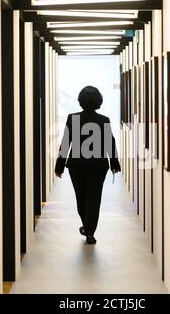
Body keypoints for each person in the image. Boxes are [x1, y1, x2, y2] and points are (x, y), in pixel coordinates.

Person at [55, 86, 121, 245]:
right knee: (94, 197)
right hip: (98, 166)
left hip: (76, 166)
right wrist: (114, 163)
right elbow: (109, 143)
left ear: (80, 101)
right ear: (99, 101)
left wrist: (59, 166)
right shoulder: (103, 120)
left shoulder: (73, 118)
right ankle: (90, 231)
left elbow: (65, 144)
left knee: (81, 197)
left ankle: (87, 226)